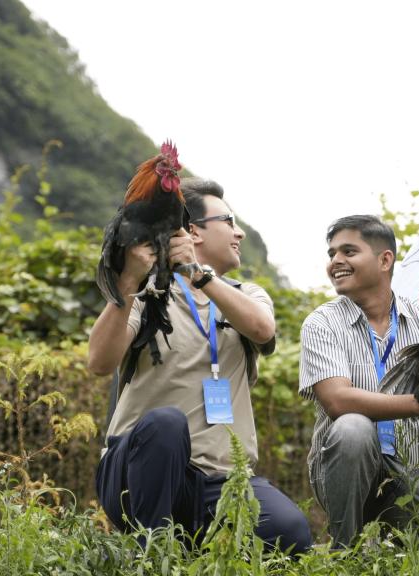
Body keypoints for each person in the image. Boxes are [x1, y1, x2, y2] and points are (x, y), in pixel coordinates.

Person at [89, 177, 311, 554]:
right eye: (229, 221)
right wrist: (127, 281)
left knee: (290, 531)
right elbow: (99, 362)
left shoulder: (246, 295)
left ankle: (192, 548)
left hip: (219, 481)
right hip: (136, 472)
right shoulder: (147, 294)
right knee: (166, 424)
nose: (239, 232)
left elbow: (261, 329)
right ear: (192, 231)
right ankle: (151, 556)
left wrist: (198, 272)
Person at [298, 214, 419, 548]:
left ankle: (394, 541)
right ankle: (345, 550)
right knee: (353, 427)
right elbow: (337, 401)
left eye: (349, 251)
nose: (336, 261)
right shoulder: (322, 323)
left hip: (413, 465)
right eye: (332, 254)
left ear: (385, 260)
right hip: (344, 466)